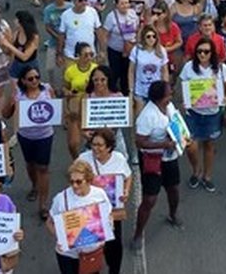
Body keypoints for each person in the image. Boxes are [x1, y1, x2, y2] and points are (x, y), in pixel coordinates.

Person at [132, 80, 185, 243]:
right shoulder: (147, 116)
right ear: (159, 98)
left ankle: (172, 214)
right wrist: (164, 144)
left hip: (170, 158)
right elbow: (140, 142)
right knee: (150, 199)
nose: (171, 95)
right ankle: (138, 233)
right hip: (152, 160)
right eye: (169, 93)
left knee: (173, 189)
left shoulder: (168, 107)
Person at [178, 36, 226, 193]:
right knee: (191, 146)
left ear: (212, 53)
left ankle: (207, 176)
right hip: (193, 113)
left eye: (206, 52)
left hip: (212, 114)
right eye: (199, 51)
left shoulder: (222, 69)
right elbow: (184, 86)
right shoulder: (189, 67)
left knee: (209, 144)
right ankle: (196, 170)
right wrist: (185, 101)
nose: (202, 55)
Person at [2, 67, 54, 221]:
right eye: (30, 79)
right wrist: (11, 102)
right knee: (30, 164)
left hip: (45, 135)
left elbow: (55, 109)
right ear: (23, 81)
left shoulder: (47, 90)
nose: (35, 81)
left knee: (43, 167)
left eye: (37, 77)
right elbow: (5, 114)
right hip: (25, 136)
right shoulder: (18, 94)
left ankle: (43, 204)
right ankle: (34, 185)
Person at [77, 129, 132, 274]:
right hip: (90, 213)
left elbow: (128, 176)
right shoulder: (83, 159)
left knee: (114, 244)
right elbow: (74, 179)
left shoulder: (119, 159)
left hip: (113, 212)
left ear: (109, 147)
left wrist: (125, 191)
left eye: (100, 145)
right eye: (94, 144)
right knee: (93, 245)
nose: (96, 148)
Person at [47, 160, 112, 274]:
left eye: (78, 182)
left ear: (88, 180)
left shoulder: (99, 195)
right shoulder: (61, 199)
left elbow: (108, 216)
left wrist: (107, 230)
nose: (74, 186)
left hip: (93, 253)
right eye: (71, 182)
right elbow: (49, 222)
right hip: (69, 256)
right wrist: (60, 238)